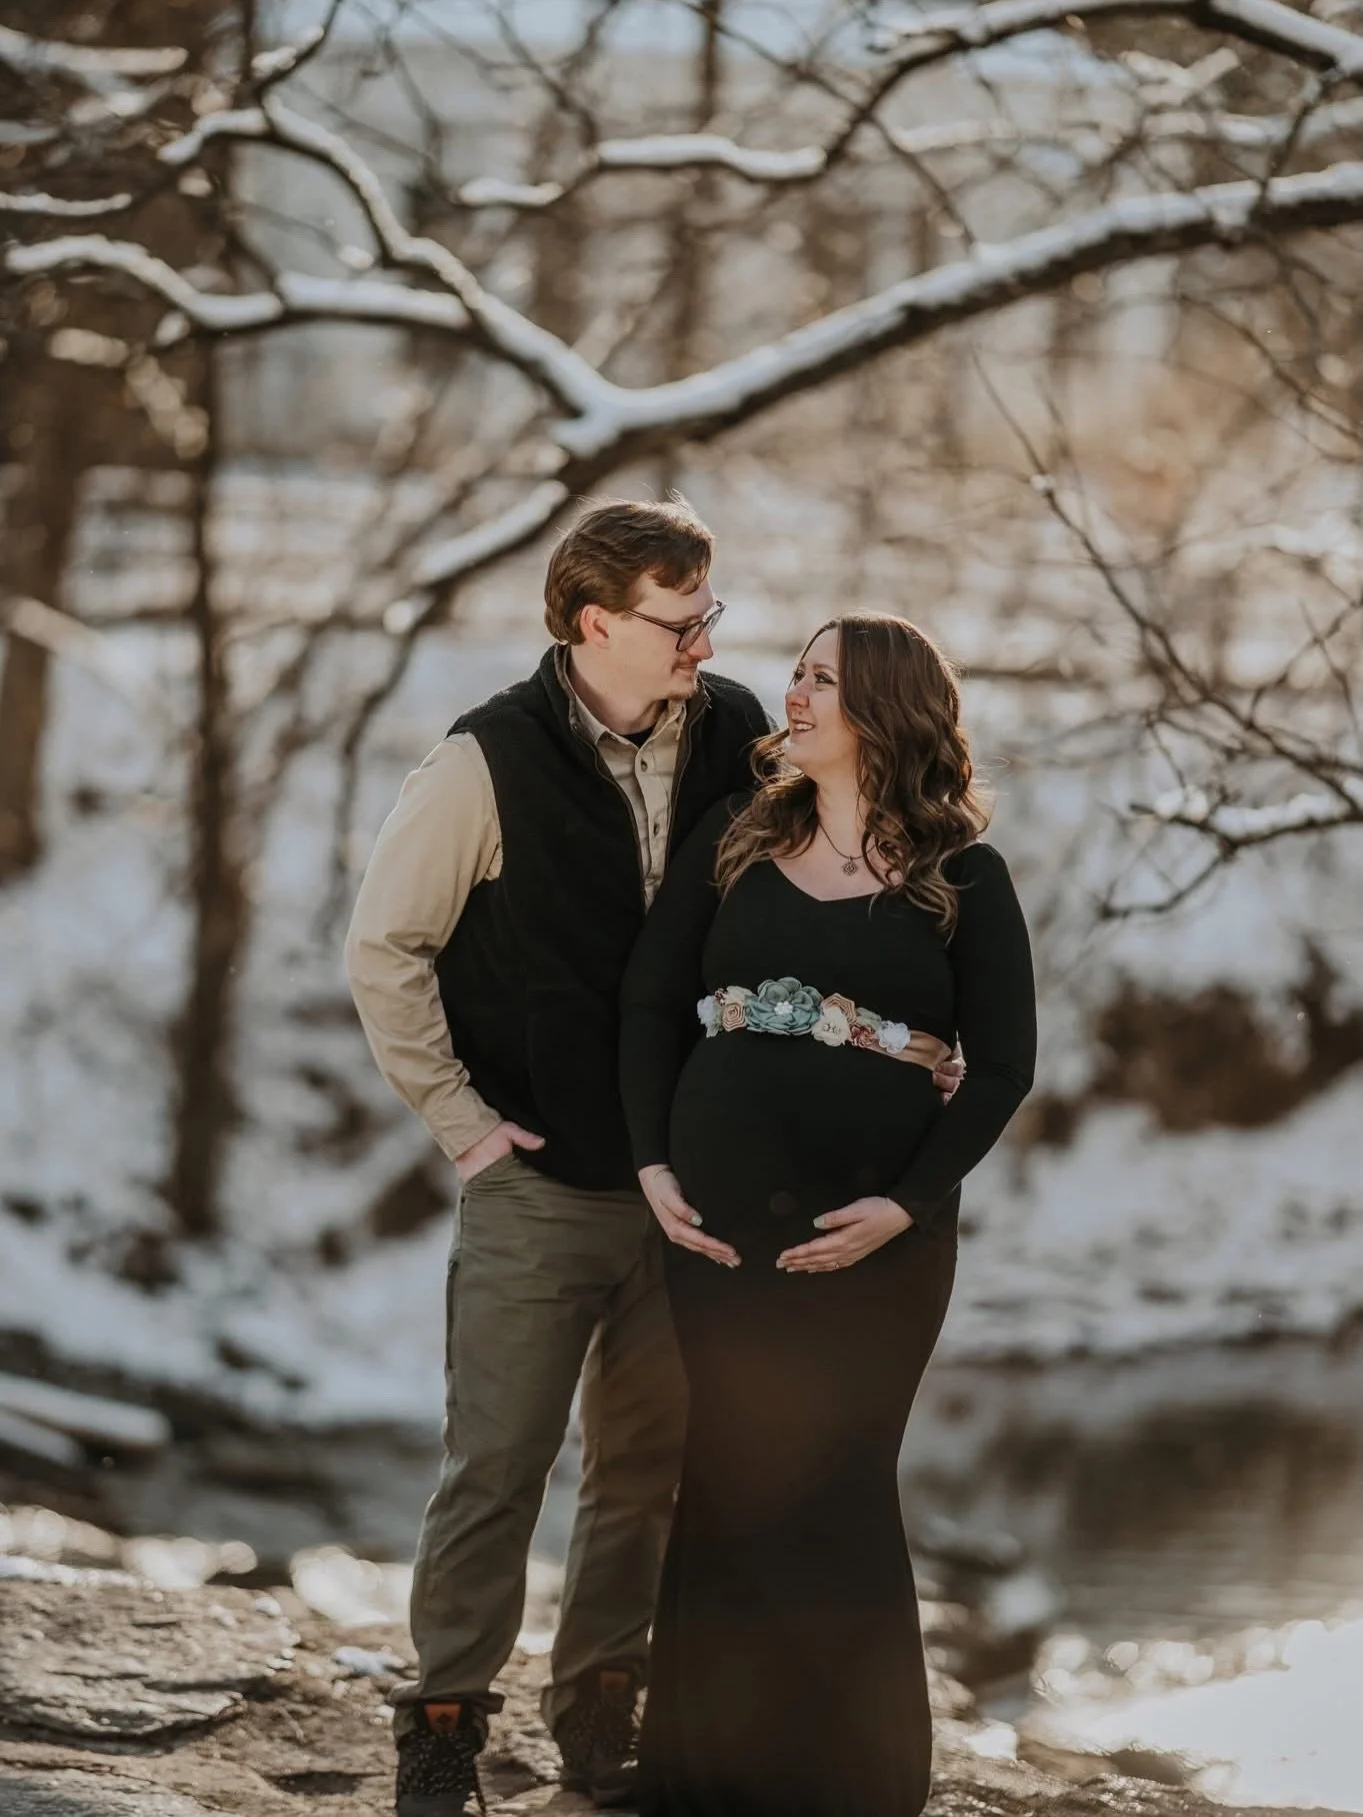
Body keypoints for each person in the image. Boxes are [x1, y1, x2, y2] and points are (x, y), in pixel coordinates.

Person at [345, 500, 963, 1816]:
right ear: (594, 624)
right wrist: (460, 1121)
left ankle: (602, 1716)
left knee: (642, 1467)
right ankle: (445, 1720)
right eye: (681, 622)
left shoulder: (741, 736)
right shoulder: (481, 764)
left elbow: (844, 868)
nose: (705, 641)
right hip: (542, 1185)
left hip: (696, 1190)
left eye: (709, 617)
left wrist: (913, 1037)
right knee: (499, 1461)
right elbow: (379, 950)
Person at [618, 612, 1037, 1817]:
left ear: (885, 711)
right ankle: (703, 1778)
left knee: (838, 1481)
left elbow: (1002, 1067)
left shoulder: (966, 877)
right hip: (720, 1225)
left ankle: (851, 1784)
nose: (790, 697)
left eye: (820, 681)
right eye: (795, 674)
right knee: (731, 1472)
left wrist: (903, 1206)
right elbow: (650, 1004)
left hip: (878, 1245)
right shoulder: (735, 840)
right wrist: (652, 1161)